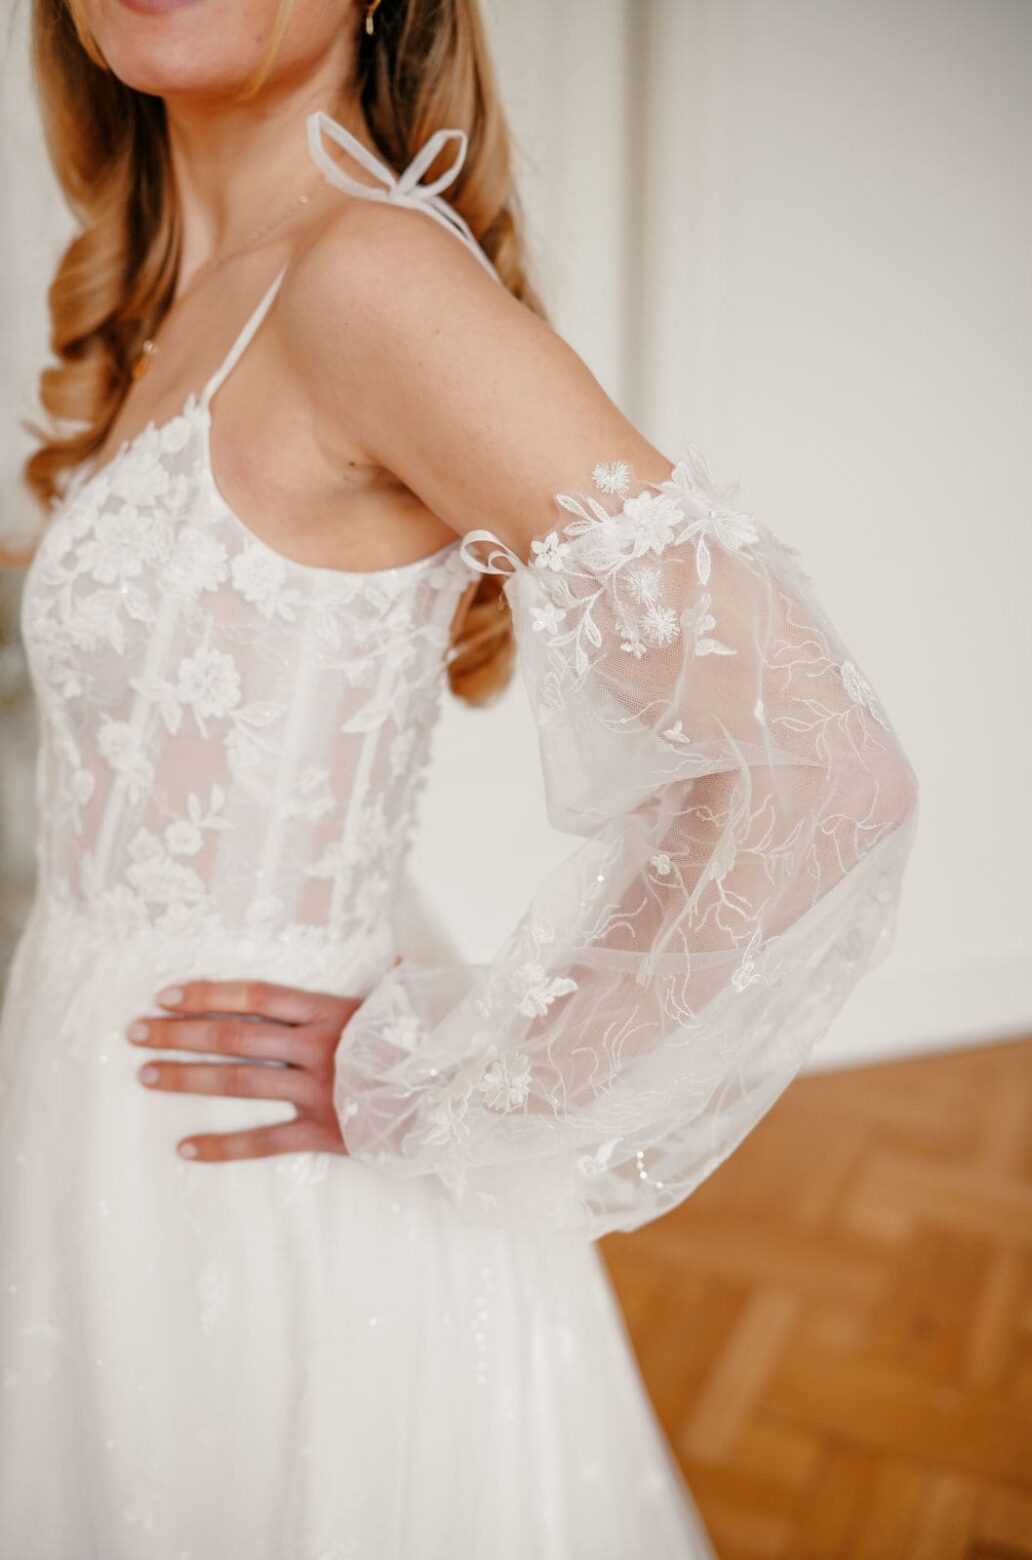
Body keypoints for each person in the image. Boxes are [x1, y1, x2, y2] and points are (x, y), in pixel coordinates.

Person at [0, 0, 919, 1555]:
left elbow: (823, 768)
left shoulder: (367, 279)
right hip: (93, 1100)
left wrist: (451, 1081)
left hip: (245, 1157)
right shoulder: (184, 288)